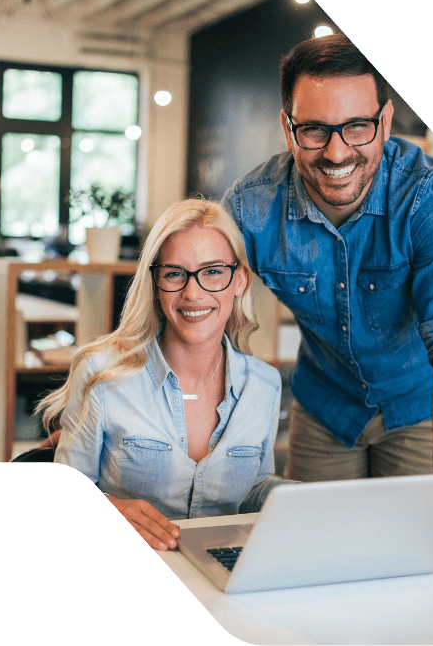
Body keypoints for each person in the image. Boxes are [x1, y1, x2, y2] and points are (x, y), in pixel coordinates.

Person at [221, 33, 433, 554]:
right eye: (314, 130)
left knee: (425, 558)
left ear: (384, 121)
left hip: (420, 407)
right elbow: (184, 308)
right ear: (288, 128)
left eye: (357, 127)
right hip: (324, 408)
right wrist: (100, 410)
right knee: (313, 560)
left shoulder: (431, 194)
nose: (337, 152)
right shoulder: (251, 207)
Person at [35, 199, 295, 551]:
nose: (193, 293)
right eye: (174, 273)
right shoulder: (102, 374)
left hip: (220, 572)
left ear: (240, 281)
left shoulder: (263, 384)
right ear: (156, 284)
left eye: (213, 271)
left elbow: (252, 492)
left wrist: (300, 497)